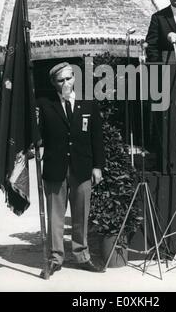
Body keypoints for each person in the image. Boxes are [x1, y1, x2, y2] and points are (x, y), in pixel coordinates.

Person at [37, 62, 106, 276]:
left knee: (80, 215)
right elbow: (38, 136)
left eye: (68, 78)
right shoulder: (44, 104)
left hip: (82, 167)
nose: (65, 83)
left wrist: (98, 166)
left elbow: (97, 138)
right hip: (55, 169)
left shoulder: (88, 103)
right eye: (60, 80)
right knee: (55, 216)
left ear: (74, 78)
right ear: (53, 83)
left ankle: (82, 255)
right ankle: (56, 258)